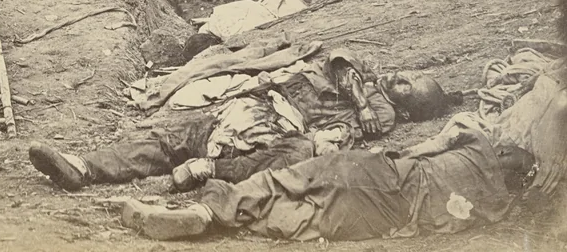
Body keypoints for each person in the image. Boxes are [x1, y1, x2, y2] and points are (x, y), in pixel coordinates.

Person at [29, 51, 458, 192]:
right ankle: (82, 166)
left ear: (405, 110)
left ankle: (206, 172)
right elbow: (341, 65)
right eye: (409, 74)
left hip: (274, 127)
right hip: (251, 102)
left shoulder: (380, 112)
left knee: (285, 154)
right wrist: (361, 98)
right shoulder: (362, 76)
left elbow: (351, 116)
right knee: (167, 137)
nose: (400, 78)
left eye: (408, 87)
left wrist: (364, 107)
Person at [121, 126, 534, 241]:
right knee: (303, 217)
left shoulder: (479, 143)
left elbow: (434, 141)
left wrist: (404, 156)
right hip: (381, 219)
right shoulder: (495, 208)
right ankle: (223, 220)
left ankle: (204, 210)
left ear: (502, 155)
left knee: (282, 178)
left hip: (380, 173)